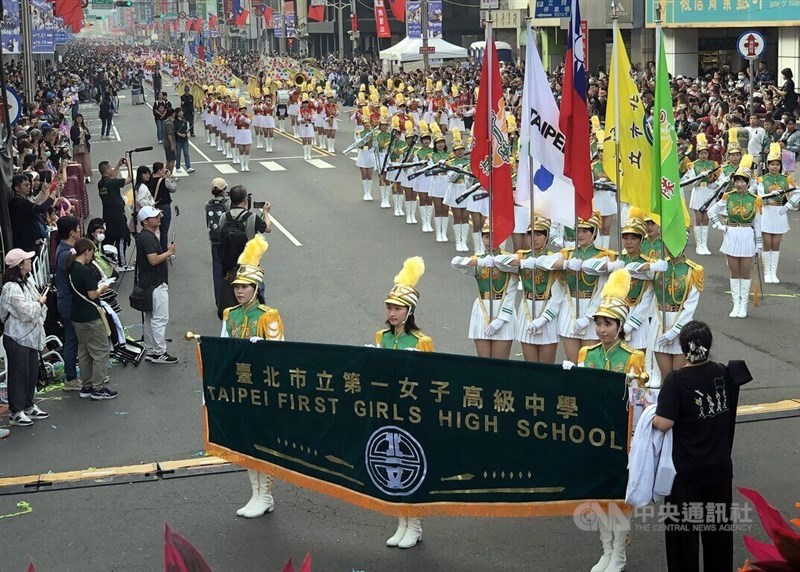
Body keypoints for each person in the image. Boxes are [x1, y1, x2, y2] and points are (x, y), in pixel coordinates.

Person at [567, 269, 646, 572]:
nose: (601, 329)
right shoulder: (587, 354)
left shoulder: (633, 357)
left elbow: (639, 402)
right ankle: (606, 549)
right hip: (593, 433)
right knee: (599, 493)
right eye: (598, 323)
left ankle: (620, 554)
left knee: (619, 494)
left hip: (622, 435)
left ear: (620, 325)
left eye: (608, 323)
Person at [653, 321, 742, 572]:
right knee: (718, 533)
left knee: (683, 537)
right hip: (719, 468)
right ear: (709, 347)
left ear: (683, 348)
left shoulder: (676, 381)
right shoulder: (722, 373)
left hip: (686, 473)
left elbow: (663, 422)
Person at [220, 235, 284, 519]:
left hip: (262, 386)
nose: (239, 292)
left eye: (244, 287)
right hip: (239, 385)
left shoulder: (268, 316)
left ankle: (266, 494)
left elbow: (279, 353)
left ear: (256, 289)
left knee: (262, 442)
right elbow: (222, 348)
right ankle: (255, 493)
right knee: (246, 441)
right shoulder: (229, 315)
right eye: (236, 287)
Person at [375, 256, 432, 549]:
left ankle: (416, 524)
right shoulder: (381, 337)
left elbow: (429, 380)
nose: (391, 312)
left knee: (412, 467)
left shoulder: (421, 342)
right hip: (388, 409)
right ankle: (401, 522)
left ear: (408, 312)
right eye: (388, 307)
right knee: (390, 464)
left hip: (412, 412)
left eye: (396, 308)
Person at [495, 217, 565, 364]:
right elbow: (500, 262)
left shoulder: (555, 257)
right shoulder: (523, 255)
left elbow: (558, 295)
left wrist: (544, 318)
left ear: (546, 236)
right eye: (530, 234)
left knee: (546, 369)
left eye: (538, 234)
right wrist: (524, 262)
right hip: (526, 308)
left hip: (547, 309)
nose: (533, 238)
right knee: (530, 366)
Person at [557, 211, 619, 363]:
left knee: (590, 363)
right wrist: (566, 264)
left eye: (585, 231)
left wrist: (588, 317)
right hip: (570, 309)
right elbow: (545, 265)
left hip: (593, 312)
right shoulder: (567, 254)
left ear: (595, 232)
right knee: (572, 365)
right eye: (578, 230)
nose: (580, 234)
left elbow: (603, 290)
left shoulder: (604, 255)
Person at [451, 223, 518, 359]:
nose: (490, 241)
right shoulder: (479, 259)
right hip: (482, 309)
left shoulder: (510, 259)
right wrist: (480, 262)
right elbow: (455, 262)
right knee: (484, 365)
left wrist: (502, 319)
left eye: (494, 237)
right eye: (486, 237)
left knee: (499, 365)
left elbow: (512, 291)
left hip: (503, 309)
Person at [0, 249, 49, 426]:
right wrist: (40, 304)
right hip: (16, 337)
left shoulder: (27, 282)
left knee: (31, 372)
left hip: (31, 336)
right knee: (18, 374)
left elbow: (34, 307)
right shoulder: (10, 287)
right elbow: (27, 311)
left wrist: (39, 305)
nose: (30, 261)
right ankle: (16, 411)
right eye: (27, 259)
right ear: (20, 264)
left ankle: (28, 405)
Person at [708, 165, 762, 318]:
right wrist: (718, 226)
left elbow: (758, 224)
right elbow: (711, 211)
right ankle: (735, 305)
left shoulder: (755, 200)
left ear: (748, 182)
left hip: (746, 235)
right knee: (734, 272)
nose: (739, 184)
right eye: (736, 181)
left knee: (745, 272)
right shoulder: (728, 196)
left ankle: (743, 305)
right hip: (731, 234)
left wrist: (759, 244)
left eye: (742, 181)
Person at [68, 238, 118, 400]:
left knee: (84, 351)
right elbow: (92, 294)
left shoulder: (72, 269)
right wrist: (103, 287)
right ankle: (98, 387)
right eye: (91, 252)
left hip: (77, 316)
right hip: (90, 315)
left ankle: (87, 385)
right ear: (86, 251)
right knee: (101, 351)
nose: (92, 256)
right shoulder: (84, 270)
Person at [216, 185, 272, 316]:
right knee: (256, 291)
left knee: (234, 292)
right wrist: (266, 212)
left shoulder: (224, 216)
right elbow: (267, 228)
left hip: (229, 264)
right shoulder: (251, 217)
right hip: (249, 264)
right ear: (246, 199)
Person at [652, 244, 704, 380]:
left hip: (681, 323)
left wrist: (676, 330)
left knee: (680, 377)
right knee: (667, 378)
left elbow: (690, 306)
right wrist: (652, 267)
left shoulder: (693, 270)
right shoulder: (659, 266)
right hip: (660, 323)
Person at [136, 206, 177, 364]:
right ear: (145, 221)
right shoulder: (148, 238)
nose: (158, 218)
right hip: (155, 283)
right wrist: (169, 252)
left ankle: (151, 350)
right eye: (154, 216)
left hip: (148, 283)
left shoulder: (146, 236)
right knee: (160, 318)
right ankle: (159, 351)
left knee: (150, 317)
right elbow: (153, 260)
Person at [757, 142, 799, 283]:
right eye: (772, 164)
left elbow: (797, 191)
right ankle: (766, 273)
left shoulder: (786, 179)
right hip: (767, 212)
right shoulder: (761, 179)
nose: (775, 167)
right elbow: (760, 196)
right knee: (767, 242)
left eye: (777, 164)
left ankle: (773, 272)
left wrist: (788, 206)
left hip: (780, 212)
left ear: (780, 166)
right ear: (767, 165)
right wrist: (769, 196)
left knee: (776, 243)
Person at [54, 215, 83, 391]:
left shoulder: (64, 249)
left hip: (69, 300)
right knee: (72, 339)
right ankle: (70, 377)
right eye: (78, 229)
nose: (80, 231)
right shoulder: (66, 254)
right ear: (72, 232)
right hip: (69, 302)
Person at [683, 134, 719, 256]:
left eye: (705, 153)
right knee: (698, 218)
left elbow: (717, 180)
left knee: (706, 219)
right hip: (698, 191)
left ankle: (705, 244)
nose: (704, 155)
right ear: (698, 153)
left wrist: (713, 185)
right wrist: (700, 177)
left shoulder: (713, 165)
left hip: (708, 192)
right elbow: (691, 182)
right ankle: (699, 244)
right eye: (701, 153)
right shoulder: (693, 165)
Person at [97, 158, 132, 269]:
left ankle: (110, 261)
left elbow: (112, 177)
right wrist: (128, 165)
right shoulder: (112, 183)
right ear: (107, 170)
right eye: (111, 168)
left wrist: (118, 165)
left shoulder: (101, 183)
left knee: (110, 237)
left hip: (107, 214)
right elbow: (130, 179)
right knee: (122, 237)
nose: (113, 169)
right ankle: (122, 264)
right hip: (117, 214)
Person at [9, 173, 55, 252]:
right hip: (26, 243)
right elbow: (41, 209)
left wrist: (44, 191)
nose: (29, 187)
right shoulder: (20, 202)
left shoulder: (20, 201)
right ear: (17, 188)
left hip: (26, 240)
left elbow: (36, 204)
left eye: (29, 184)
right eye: (26, 185)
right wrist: (52, 196)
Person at [205, 177, 230, 309]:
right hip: (227, 241)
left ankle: (219, 302)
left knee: (217, 271)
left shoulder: (208, 204)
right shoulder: (227, 204)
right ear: (224, 189)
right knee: (230, 269)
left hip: (214, 241)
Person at [150, 162, 177, 252]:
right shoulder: (163, 181)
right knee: (163, 231)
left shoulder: (149, 179)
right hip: (164, 206)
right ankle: (164, 251)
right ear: (159, 170)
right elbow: (173, 188)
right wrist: (169, 178)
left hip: (153, 206)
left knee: (153, 230)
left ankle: (153, 249)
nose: (165, 171)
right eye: (163, 169)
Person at [70, 114, 92, 183]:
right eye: (78, 118)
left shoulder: (84, 127)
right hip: (78, 146)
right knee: (78, 161)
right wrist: (78, 137)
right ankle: (78, 175)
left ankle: (87, 175)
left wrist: (86, 134)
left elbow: (89, 137)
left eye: (80, 118)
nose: (79, 120)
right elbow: (72, 138)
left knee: (86, 161)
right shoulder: (73, 128)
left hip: (85, 145)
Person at [174, 108, 194, 173]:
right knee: (178, 154)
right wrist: (180, 135)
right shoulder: (174, 122)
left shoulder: (184, 121)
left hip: (185, 140)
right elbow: (174, 131)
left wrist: (186, 131)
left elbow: (184, 129)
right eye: (180, 112)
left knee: (186, 153)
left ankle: (188, 167)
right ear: (177, 113)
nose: (181, 113)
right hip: (178, 140)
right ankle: (178, 167)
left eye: (182, 112)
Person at [163, 108, 176, 173]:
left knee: (168, 159)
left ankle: (167, 173)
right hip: (169, 144)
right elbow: (169, 134)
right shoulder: (169, 123)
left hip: (166, 144)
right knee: (172, 160)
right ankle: (169, 174)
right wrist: (172, 145)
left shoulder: (166, 121)